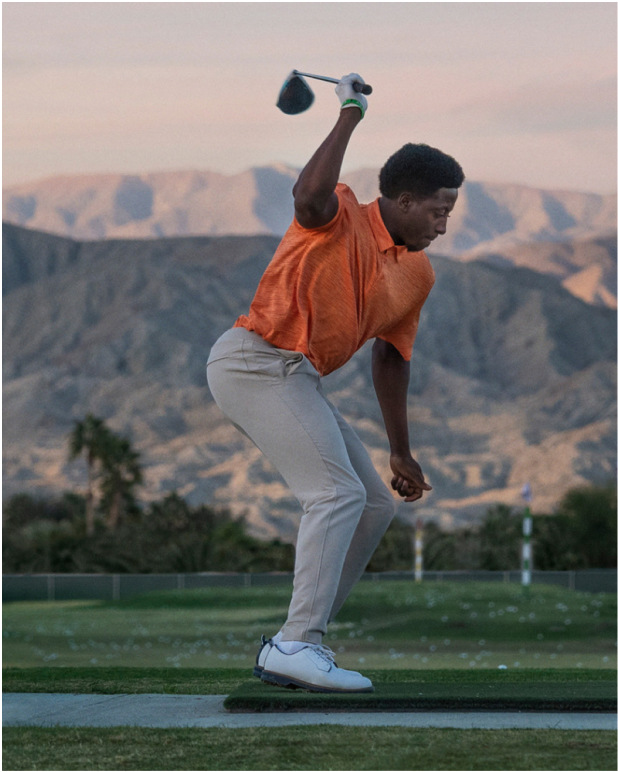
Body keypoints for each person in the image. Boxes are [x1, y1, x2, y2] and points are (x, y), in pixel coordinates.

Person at [206, 73, 464, 693]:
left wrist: (399, 450)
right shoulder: (337, 214)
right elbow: (306, 193)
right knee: (335, 494)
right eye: (438, 211)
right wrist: (351, 110)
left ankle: (301, 640)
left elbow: (391, 359)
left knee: (372, 502)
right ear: (402, 202)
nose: (443, 225)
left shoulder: (417, 274)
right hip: (253, 363)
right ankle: (295, 643)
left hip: (296, 381)